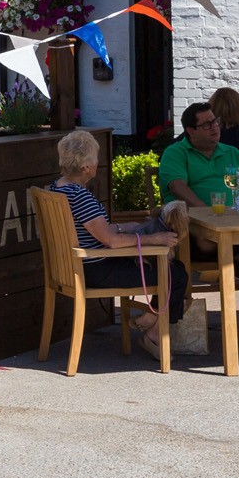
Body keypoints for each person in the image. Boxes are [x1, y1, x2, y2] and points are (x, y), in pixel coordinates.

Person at [50, 130, 184, 346]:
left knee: (165, 268)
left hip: (79, 267)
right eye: (96, 159)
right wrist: (154, 238)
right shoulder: (81, 197)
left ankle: (152, 317)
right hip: (97, 270)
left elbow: (89, 228)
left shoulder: (59, 187)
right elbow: (111, 242)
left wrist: (121, 226)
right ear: (87, 167)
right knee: (175, 273)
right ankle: (155, 330)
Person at [159, 98, 239, 340]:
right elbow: (177, 186)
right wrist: (206, 215)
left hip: (234, 229)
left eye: (216, 122)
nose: (215, 127)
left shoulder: (232, 153)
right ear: (190, 131)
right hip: (192, 233)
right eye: (207, 124)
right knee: (208, 239)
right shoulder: (176, 152)